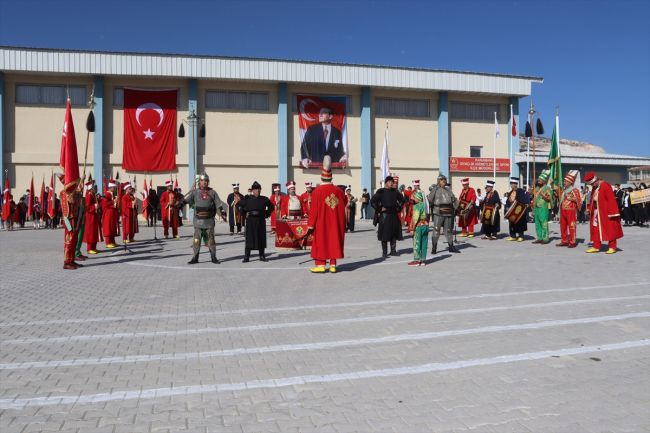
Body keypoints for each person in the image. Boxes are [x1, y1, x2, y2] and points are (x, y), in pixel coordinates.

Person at [306, 155, 347, 272]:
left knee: (321, 242)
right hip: (335, 222)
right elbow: (344, 202)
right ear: (331, 177)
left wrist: (311, 225)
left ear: (321, 178)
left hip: (322, 222)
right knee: (334, 240)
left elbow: (314, 210)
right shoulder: (339, 191)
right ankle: (333, 265)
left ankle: (321, 265)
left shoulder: (317, 191)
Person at [182, 172, 228, 264]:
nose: (204, 182)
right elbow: (186, 201)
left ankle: (213, 257)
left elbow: (219, 204)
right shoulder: (195, 192)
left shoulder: (213, 192)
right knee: (196, 240)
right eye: (202, 180)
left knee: (211, 240)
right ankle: (195, 257)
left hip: (209, 220)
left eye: (206, 180)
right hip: (198, 220)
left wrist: (223, 213)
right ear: (199, 182)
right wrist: (179, 204)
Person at [584, 172, 624, 253]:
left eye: (592, 184)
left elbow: (611, 200)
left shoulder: (606, 186)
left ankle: (612, 247)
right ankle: (596, 246)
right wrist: (589, 208)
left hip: (606, 212)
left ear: (596, 181)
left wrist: (612, 213)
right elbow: (592, 200)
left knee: (610, 229)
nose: (592, 186)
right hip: (596, 212)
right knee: (596, 229)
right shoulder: (595, 188)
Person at [237, 181, 273, 262]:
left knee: (261, 238)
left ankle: (262, 256)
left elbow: (271, 206)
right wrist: (244, 213)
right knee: (249, 238)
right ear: (253, 191)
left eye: (259, 189)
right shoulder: (248, 199)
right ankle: (247, 256)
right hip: (251, 220)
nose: (258, 190)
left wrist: (266, 213)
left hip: (260, 220)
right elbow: (238, 205)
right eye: (256, 189)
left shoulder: (264, 199)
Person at [371, 175, 405, 257]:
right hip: (385, 215)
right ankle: (384, 252)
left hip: (394, 214)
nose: (391, 183)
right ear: (386, 183)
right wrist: (379, 208)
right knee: (385, 233)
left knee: (394, 232)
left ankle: (393, 251)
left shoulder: (395, 192)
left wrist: (398, 207)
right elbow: (372, 201)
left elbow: (402, 200)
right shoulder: (381, 191)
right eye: (389, 182)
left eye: (392, 182)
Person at [427, 173, 460, 254]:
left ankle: (451, 247)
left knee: (449, 230)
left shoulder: (449, 190)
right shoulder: (435, 190)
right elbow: (430, 201)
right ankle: (434, 248)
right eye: (442, 179)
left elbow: (454, 200)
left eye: (444, 179)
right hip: (438, 212)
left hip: (448, 213)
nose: (443, 181)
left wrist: (459, 208)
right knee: (436, 230)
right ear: (438, 181)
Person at [60, 180, 85, 270]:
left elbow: (79, 190)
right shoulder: (64, 192)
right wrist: (72, 200)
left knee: (74, 241)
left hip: (75, 220)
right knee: (69, 242)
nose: (76, 184)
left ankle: (71, 260)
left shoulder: (73, 192)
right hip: (70, 221)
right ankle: (66, 262)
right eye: (74, 182)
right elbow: (70, 202)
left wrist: (82, 180)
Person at [556, 170, 581, 248]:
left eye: (565, 181)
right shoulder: (564, 190)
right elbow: (559, 197)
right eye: (564, 181)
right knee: (563, 226)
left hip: (571, 210)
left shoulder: (575, 190)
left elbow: (578, 200)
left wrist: (569, 197)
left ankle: (573, 241)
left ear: (570, 182)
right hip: (562, 210)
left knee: (572, 226)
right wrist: (558, 188)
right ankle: (564, 240)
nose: (564, 183)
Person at [408, 190, 429, 266]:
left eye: (415, 197)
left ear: (418, 198)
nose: (414, 199)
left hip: (419, 226)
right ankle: (423, 260)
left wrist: (412, 229)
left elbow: (415, 218)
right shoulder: (426, 205)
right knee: (424, 243)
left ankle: (416, 260)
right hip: (426, 225)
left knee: (416, 242)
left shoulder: (417, 206)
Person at [531, 170, 553, 244]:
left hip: (543, 208)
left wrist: (543, 195)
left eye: (539, 180)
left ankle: (545, 239)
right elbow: (530, 193)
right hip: (536, 208)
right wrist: (533, 185)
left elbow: (550, 199)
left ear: (543, 181)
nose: (538, 181)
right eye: (538, 180)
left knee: (544, 223)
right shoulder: (537, 188)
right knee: (537, 224)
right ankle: (539, 238)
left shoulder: (547, 188)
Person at [504, 177, 528, 242]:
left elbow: (523, 200)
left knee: (519, 223)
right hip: (512, 210)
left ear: (515, 184)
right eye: (510, 184)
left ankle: (520, 236)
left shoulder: (520, 191)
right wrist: (507, 206)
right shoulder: (510, 192)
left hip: (518, 210)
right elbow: (508, 201)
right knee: (512, 223)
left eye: (512, 184)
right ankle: (513, 236)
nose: (511, 185)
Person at [100, 179, 120, 248]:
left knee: (112, 227)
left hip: (112, 213)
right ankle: (108, 242)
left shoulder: (112, 194)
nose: (115, 189)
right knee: (108, 227)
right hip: (108, 213)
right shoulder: (107, 194)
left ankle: (112, 241)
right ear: (110, 187)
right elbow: (106, 204)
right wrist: (114, 201)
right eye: (114, 187)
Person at [83, 181, 102, 254]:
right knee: (90, 232)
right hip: (90, 217)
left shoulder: (94, 196)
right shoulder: (88, 196)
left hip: (94, 216)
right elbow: (87, 207)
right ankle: (89, 248)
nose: (96, 189)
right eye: (95, 187)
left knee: (94, 232)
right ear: (91, 189)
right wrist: (95, 206)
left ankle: (94, 247)